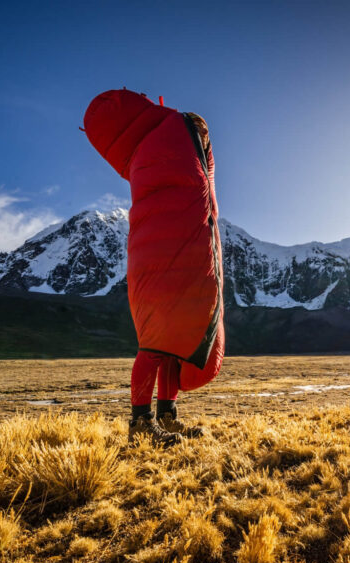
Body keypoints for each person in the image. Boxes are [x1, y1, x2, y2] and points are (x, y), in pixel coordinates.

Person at [82, 90, 225, 447]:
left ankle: (166, 416)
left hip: (164, 262)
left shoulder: (152, 148)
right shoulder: (164, 138)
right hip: (161, 263)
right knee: (155, 345)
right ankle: (140, 425)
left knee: (173, 346)